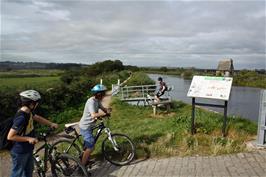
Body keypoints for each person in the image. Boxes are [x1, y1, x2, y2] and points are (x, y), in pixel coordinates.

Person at [7, 90, 58, 177]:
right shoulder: (21, 117)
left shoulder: (28, 112)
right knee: (17, 174)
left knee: (28, 172)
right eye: (36, 103)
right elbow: (10, 136)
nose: (37, 105)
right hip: (20, 151)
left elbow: (37, 118)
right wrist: (28, 139)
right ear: (31, 104)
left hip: (28, 148)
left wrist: (50, 123)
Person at [79, 84, 111, 166]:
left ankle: (85, 156)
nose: (104, 96)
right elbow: (93, 115)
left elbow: (103, 109)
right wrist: (102, 114)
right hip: (85, 127)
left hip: (90, 126)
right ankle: (82, 167)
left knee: (89, 144)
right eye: (103, 94)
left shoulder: (97, 101)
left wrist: (107, 110)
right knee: (91, 147)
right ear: (98, 94)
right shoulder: (91, 101)